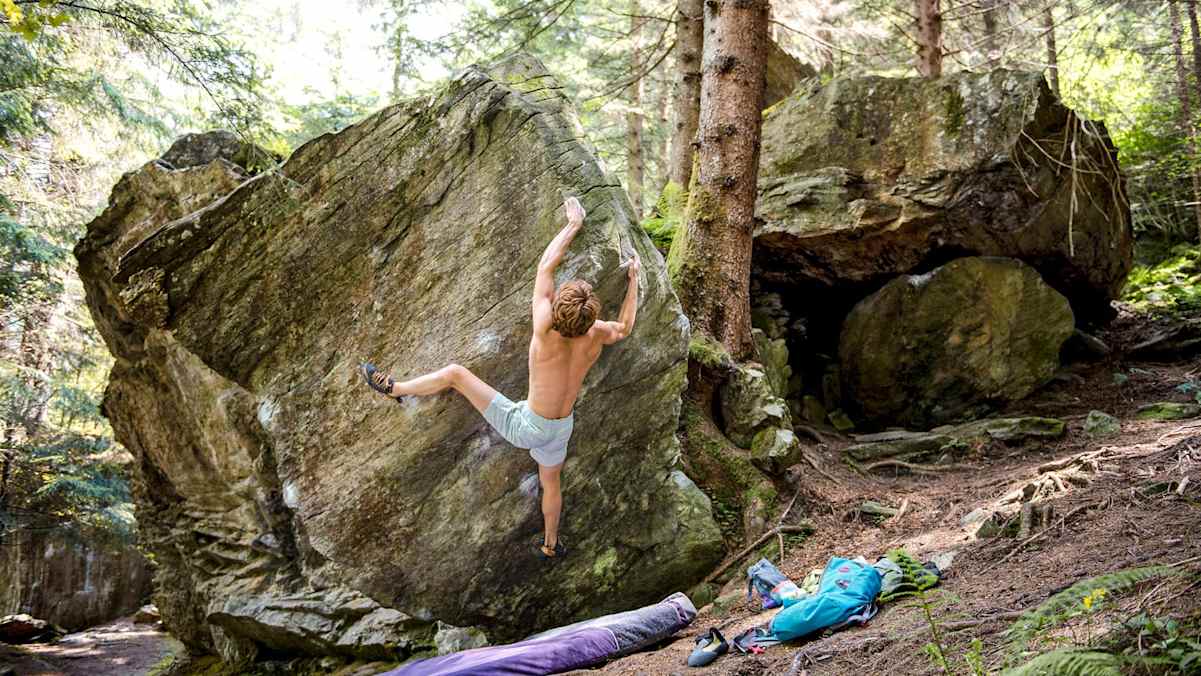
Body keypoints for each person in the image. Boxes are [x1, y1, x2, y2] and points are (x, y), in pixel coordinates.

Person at [361, 196, 640, 560]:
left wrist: (573, 224)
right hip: (561, 427)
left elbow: (545, 269)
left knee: (456, 374)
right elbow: (626, 326)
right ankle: (550, 543)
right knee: (550, 481)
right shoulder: (597, 335)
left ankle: (395, 389)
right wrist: (634, 279)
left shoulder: (544, 328)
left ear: (557, 309)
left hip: (525, 425)